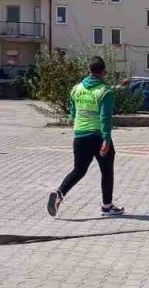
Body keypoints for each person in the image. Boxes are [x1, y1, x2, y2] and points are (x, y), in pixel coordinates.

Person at [47, 56, 125, 217]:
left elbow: (73, 112)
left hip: (79, 135)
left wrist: (77, 125)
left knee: (79, 170)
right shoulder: (105, 92)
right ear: (105, 72)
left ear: (88, 70)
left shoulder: (76, 89)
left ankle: (59, 193)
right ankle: (107, 206)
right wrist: (106, 139)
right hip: (97, 136)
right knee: (107, 171)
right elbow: (105, 118)